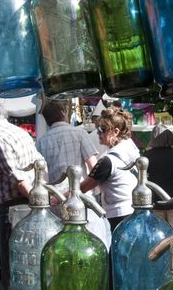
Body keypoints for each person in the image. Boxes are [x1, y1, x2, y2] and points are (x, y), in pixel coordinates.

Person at [0, 98, 43, 289]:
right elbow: (40, 163)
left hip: (18, 207)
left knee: (15, 265)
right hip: (29, 203)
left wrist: (35, 199)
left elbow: (16, 177)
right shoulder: (19, 132)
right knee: (30, 263)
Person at [36, 101, 111, 247]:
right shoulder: (79, 133)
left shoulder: (41, 142)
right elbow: (94, 166)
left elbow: (42, 178)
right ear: (64, 113)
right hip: (81, 200)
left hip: (56, 203)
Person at [80, 107, 139, 231]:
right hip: (134, 211)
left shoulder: (108, 161)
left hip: (118, 215)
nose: (98, 133)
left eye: (102, 129)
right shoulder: (132, 150)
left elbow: (82, 188)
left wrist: (56, 197)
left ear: (115, 131)